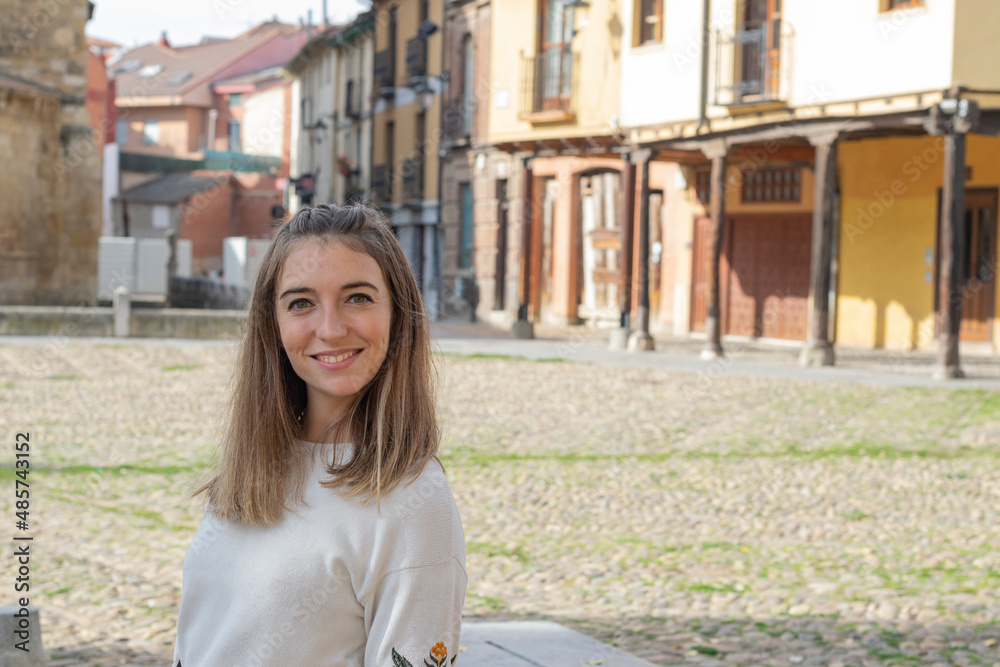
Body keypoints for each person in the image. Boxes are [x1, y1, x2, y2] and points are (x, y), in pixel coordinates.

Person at [171, 203, 467, 667]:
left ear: (398, 314)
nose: (330, 329)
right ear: (273, 324)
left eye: (358, 297)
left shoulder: (413, 501)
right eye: (301, 303)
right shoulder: (248, 473)